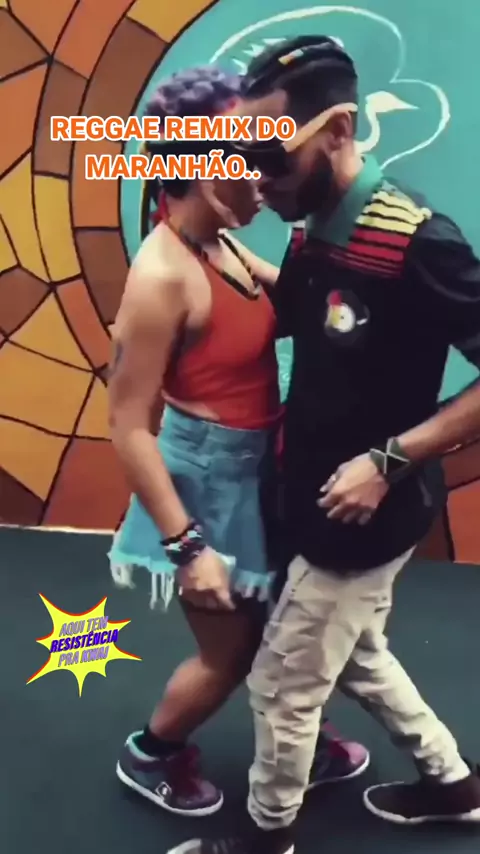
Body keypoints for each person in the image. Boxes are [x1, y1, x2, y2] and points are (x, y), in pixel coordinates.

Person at [170, 36, 480, 854]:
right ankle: (453, 783)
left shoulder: (416, 241)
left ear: (338, 129)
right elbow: (318, 313)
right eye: (244, 160)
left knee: (281, 685)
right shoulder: (316, 227)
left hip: (365, 516)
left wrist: (389, 462)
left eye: (270, 157)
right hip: (310, 495)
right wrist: (219, 254)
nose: (257, 181)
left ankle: (266, 838)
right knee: (354, 654)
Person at [107, 64, 369, 820]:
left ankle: (300, 737)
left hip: (256, 470)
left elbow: (294, 308)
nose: (265, 180)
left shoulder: (219, 244)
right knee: (229, 655)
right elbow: (126, 426)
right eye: (247, 163)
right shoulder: (162, 276)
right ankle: (151, 751)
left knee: (283, 626)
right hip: (204, 487)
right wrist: (188, 548)